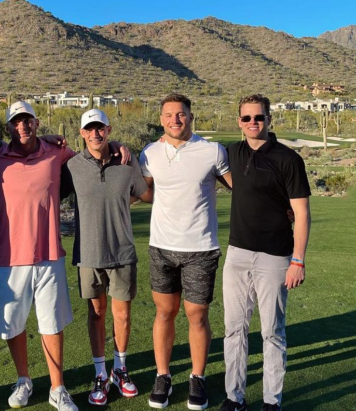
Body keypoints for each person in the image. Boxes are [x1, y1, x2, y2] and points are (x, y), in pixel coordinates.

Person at [218, 95, 311, 411]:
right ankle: (235, 397)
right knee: (234, 330)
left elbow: (301, 212)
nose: (253, 123)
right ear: (239, 121)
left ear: (269, 119)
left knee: (271, 331)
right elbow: (213, 168)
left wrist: (298, 259)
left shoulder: (288, 159)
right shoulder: (231, 152)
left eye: (259, 117)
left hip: (275, 257)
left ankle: (272, 401)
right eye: (246, 118)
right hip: (237, 254)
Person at [139, 93, 231, 410]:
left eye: (181, 114)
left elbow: (241, 188)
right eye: (168, 115)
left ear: (191, 116)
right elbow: (147, 192)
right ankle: (163, 376)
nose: (174, 120)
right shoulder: (149, 153)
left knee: (197, 315)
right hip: (162, 247)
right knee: (165, 312)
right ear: (161, 118)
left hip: (201, 248)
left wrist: (280, 205)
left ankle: (197, 377)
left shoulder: (211, 151)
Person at [0, 101, 79, 411]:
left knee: (52, 323)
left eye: (28, 120)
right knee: (13, 324)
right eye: (16, 121)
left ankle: (57, 387)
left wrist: (116, 144)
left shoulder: (55, 152)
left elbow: (92, 156)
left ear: (37, 124)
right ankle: (23, 379)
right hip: (8, 257)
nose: (22, 126)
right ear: (9, 127)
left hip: (49, 254)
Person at [61, 108, 152, 406]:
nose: (96, 133)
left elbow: (146, 193)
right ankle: (100, 372)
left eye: (101, 128)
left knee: (122, 314)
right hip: (88, 254)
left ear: (109, 130)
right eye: (90, 129)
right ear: (82, 133)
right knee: (96, 313)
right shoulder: (72, 165)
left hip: (122, 251)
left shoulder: (126, 162)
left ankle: (120, 369)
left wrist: (129, 199)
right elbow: (49, 188)